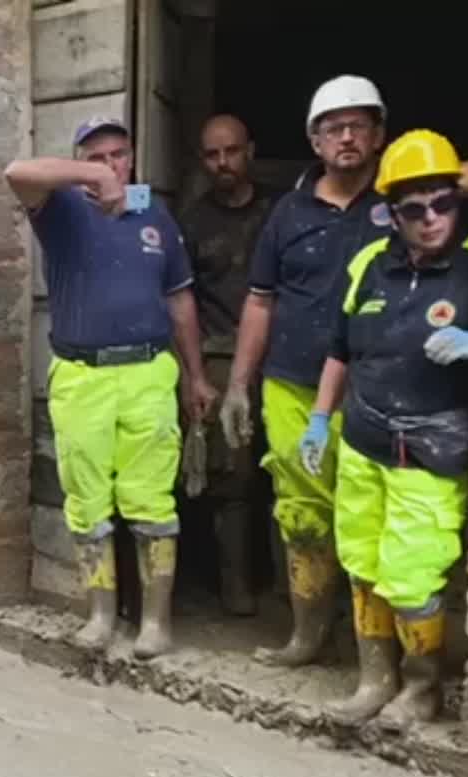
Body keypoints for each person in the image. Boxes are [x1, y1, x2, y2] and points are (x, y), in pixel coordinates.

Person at [5, 117, 215, 659]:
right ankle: (100, 616)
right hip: (82, 375)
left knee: (152, 502)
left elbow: (180, 300)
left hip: (148, 372)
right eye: (97, 156)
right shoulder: (60, 209)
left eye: (119, 155)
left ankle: (155, 623)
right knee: (88, 502)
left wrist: (196, 375)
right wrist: (90, 178)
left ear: (133, 158)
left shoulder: (155, 215)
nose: (111, 164)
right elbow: (16, 171)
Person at [298, 130, 468, 728]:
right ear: (392, 214)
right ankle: (373, 679)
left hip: (430, 450)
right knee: (362, 561)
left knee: (413, 574)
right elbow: (339, 352)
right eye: (414, 209)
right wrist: (321, 420)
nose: (431, 219)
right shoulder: (369, 266)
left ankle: (421, 688)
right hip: (364, 441)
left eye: (442, 204)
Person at [218, 75, 396, 668]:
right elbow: (261, 300)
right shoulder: (288, 213)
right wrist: (239, 385)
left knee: (372, 517)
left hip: (374, 391)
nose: (345, 138)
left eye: (357, 126)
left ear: (378, 135)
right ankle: (308, 635)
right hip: (292, 385)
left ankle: (374, 652)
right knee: (302, 513)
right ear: (315, 142)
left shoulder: (401, 204)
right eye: (332, 129)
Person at [177, 114, 278, 616]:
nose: (223, 163)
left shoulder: (277, 214)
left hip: (279, 358)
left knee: (285, 474)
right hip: (218, 354)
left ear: (250, 152)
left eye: (232, 152)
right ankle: (235, 587)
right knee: (230, 479)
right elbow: (181, 300)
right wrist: (192, 372)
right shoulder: (192, 222)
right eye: (213, 155)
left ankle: (291, 589)